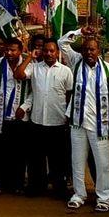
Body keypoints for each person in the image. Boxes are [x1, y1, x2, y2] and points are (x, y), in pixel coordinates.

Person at [58, 30, 109, 212]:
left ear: (99, 51)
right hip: (78, 122)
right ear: (81, 51)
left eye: (93, 49)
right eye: (86, 49)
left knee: (103, 162)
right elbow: (62, 43)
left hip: (100, 123)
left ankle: (104, 198)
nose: (89, 52)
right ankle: (79, 194)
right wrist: (80, 32)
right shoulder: (75, 64)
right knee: (77, 161)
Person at [19, 37, 72, 198]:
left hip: (58, 121)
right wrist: (30, 57)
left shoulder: (65, 71)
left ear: (57, 52)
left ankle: (59, 187)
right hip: (37, 121)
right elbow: (19, 74)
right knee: (36, 158)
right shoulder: (35, 68)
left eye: (52, 51)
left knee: (58, 158)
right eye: (46, 50)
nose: (48, 53)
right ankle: (37, 186)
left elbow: (69, 94)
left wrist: (68, 117)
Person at [0, 37, 32, 194]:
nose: (9, 53)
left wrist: (25, 107)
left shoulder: (28, 65)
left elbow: (34, 91)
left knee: (19, 152)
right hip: (1, 115)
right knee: (1, 152)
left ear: (20, 51)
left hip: (20, 116)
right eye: (7, 50)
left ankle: (17, 184)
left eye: (13, 50)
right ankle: (1, 183)